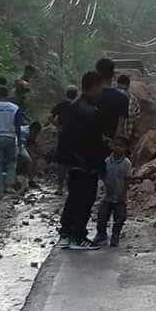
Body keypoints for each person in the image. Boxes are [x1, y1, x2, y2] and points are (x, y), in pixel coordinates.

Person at [58, 71, 105, 250]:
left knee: (73, 197)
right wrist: (95, 163)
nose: (102, 90)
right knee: (85, 199)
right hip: (87, 162)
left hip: (74, 161)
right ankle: (78, 235)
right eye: (100, 86)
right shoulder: (91, 111)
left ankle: (66, 233)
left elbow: (66, 135)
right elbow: (93, 141)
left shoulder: (73, 107)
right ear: (94, 86)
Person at [93, 135, 132, 247]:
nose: (117, 148)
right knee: (102, 216)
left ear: (125, 148)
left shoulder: (127, 163)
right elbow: (103, 177)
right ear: (111, 146)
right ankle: (101, 234)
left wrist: (123, 194)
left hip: (120, 195)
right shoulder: (107, 161)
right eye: (115, 145)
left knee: (120, 217)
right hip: (107, 195)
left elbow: (127, 179)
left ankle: (115, 236)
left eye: (121, 146)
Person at [95, 58, 129, 151]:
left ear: (97, 74)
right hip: (109, 147)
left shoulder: (90, 96)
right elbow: (120, 127)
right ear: (113, 74)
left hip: (88, 146)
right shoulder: (122, 97)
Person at [50, 86, 78, 193]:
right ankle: (71, 187)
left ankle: (59, 187)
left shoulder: (60, 105)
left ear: (66, 94)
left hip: (63, 137)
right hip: (75, 138)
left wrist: (58, 126)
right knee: (73, 163)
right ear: (76, 95)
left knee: (61, 163)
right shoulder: (77, 106)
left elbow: (50, 117)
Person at [116, 74, 141, 149]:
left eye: (124, 89)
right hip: (114, 138)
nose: (121, 91)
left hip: (127, 139)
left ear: (128, 87)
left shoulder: (133, 101)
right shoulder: (113, 99)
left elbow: (137, 118)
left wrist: (135, 136)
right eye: (119, 88)